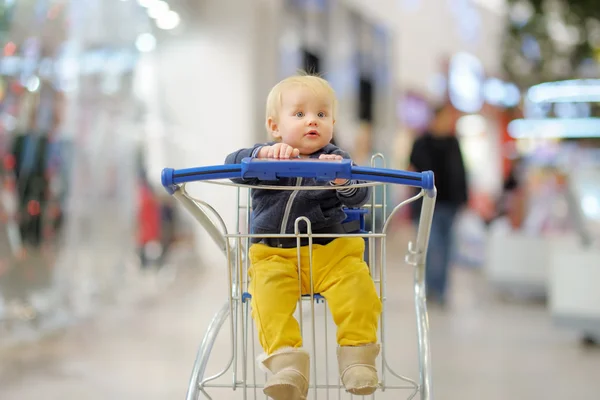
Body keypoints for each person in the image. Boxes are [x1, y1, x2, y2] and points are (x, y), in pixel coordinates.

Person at [225, 74, 382, 400]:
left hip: (331, 253)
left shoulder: (337, 159)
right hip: (273, 255)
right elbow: (231, 166)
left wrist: (342, 179)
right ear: (275, 126)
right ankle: (287, 365)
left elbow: (358, 197)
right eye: (299, 114)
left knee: (358, 285)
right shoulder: (267, 157)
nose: (312, 120)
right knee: (266, 299)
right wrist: (259, 155)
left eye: (321, 115)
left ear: (332, 123)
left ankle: (357, 358)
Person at [409, 104, 468, 307]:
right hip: (426, 203)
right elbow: (412, 171)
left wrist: (463, 199)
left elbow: (461, 172)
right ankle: (428, 289)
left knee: (447, 248)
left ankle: (441, 290)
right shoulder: (421, 143)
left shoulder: (453, 143)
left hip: (450, 204)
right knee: (430, 247)